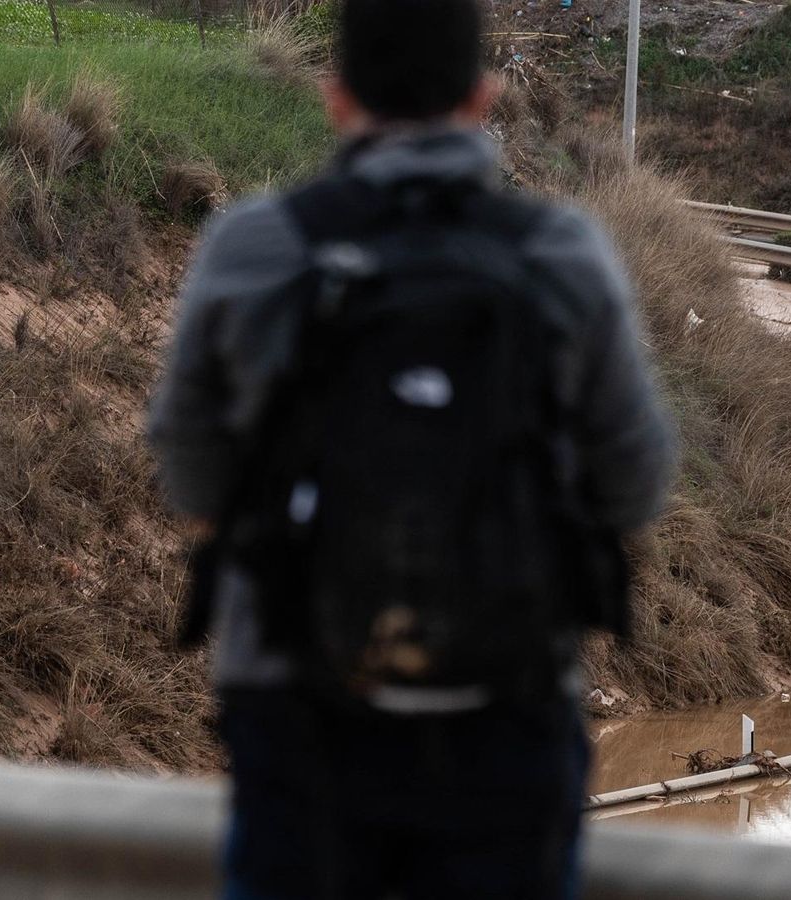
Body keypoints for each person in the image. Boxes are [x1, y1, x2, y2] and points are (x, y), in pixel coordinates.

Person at [146, 0, 676, 894]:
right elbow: (638, 482)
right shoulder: (561, 253)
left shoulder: (256, 246)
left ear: (335, 96)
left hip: (299, 715)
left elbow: (188, 462)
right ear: (483, 97)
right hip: (507, 718)